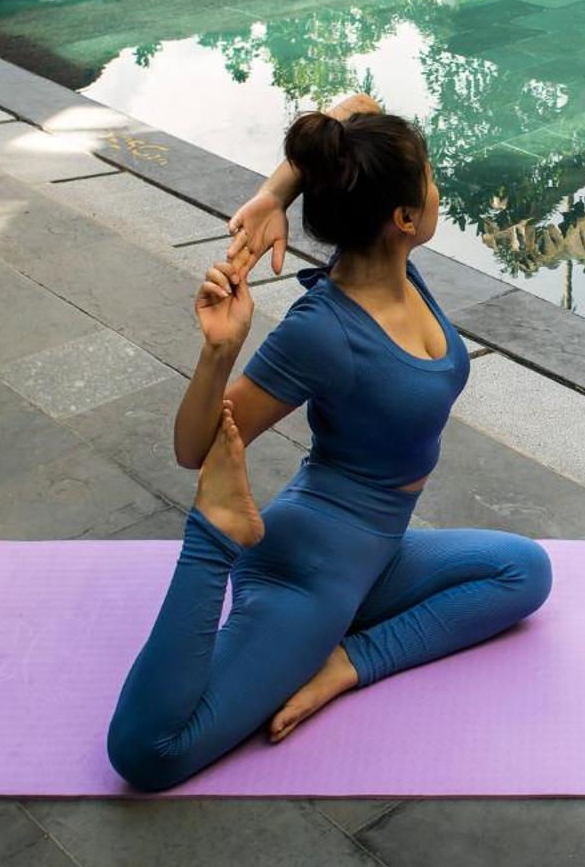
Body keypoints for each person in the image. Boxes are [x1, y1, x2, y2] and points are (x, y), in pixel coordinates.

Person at [105, 93, 555, 792]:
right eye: (430, 178)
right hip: (308, 571)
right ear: (404, 217)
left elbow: (356, 108)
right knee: (150, 751)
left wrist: (271, 193)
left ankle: (344, 662)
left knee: (524, 572)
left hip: (377, 553)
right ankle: (216, 531)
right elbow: (196, 446)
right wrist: (219, 352)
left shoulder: (399, 265)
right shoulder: (323, 328)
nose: (437, 187)